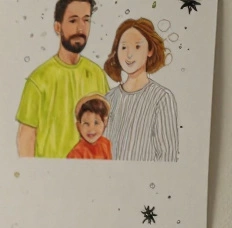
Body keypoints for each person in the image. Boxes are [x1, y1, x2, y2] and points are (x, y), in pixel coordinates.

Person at [16, 0, 109, 158]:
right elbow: (26, 138)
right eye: (73, 20)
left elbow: (110, 128)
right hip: (51, 177)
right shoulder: (38, 79)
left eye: (86, 20)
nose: (81, 28)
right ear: (57, 27)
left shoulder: (97, 74)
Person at [103, 18, 179, 162]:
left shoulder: (162, 98)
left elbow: (167, 155)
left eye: (137, 47)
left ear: (150, 50)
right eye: (124, 47)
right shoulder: (109, 99)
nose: (129, 55)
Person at [67, 95, 112, 159]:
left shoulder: (106, 144)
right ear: (78, 126)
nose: (91, 129)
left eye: (96, 123)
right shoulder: (76, 153)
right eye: (86, 123)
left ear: (105, 123)